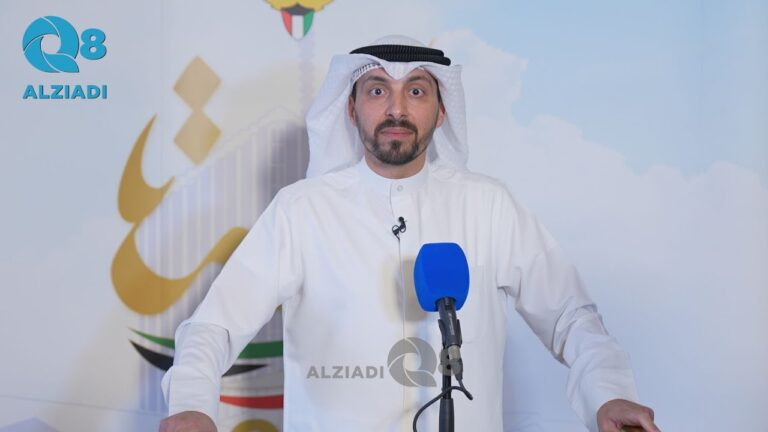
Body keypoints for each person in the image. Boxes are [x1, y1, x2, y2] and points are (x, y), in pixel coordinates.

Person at [159, 35, 660, 432]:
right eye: (377, 90)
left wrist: (609, 393)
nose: (396, 109)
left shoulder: (488, 206)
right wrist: (191, 405)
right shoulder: (301, 211)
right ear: (351, 109)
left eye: (416, 91)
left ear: (441, 112)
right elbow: (215, 326)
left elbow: (571, 316)